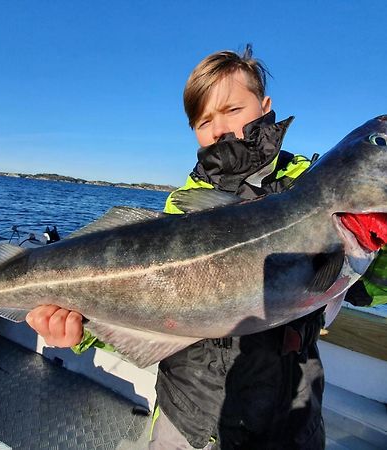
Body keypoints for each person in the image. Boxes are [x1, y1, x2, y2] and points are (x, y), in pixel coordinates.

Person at [26, 45, 386, 449]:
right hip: (187, 418)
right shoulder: (183, 206)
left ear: (265, 105)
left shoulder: (307, 186)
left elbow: (368, 291)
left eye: (232, 110)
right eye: (203, 120)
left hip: (289, 417)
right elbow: (137, 295)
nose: (218, 130)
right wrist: (78, 330)